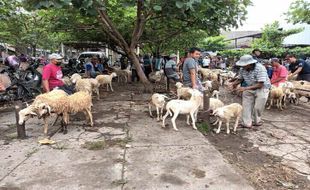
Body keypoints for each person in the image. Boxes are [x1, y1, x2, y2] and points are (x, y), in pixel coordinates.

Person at [230, 54, 271, 128]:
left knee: (258, 107)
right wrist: (233, 84)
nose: (242, 66)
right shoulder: (243, 69)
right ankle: (246, 123)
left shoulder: (260, 68)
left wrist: (245, 88)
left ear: (249, 64)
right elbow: (240, 79)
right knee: (246, 106)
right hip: (249, 87)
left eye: (244, 65)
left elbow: (260, 84)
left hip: (262, 88)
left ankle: (257, 121)